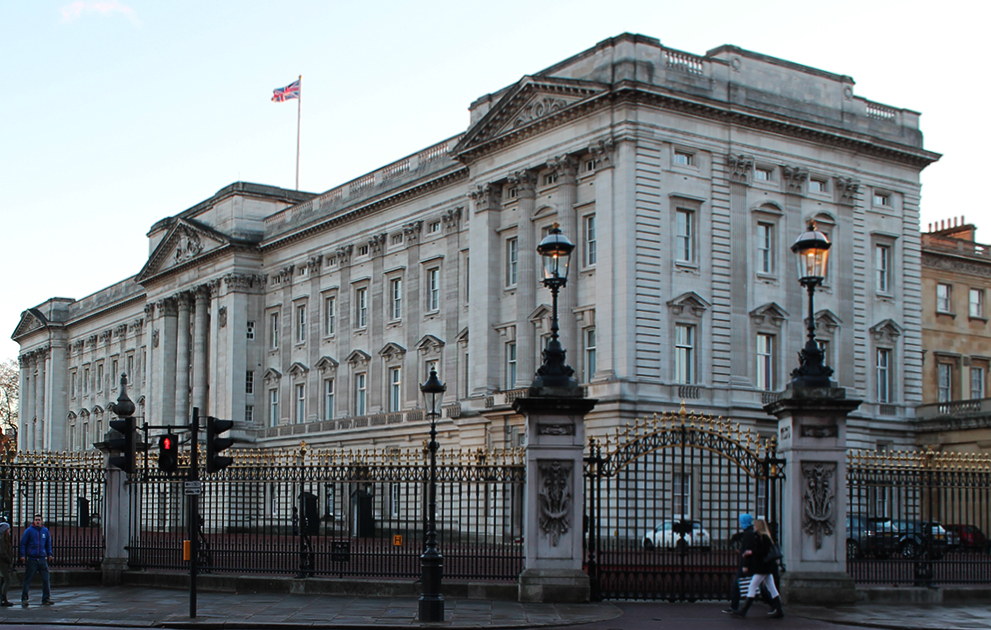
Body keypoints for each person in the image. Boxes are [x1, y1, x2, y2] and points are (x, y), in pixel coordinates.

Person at [734, 518, 783, 619]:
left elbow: (763, 552)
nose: (754, 527)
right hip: (766, 567)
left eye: (755, 525)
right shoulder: (764, 537)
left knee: (752, 586)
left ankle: (744, 610)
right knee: (772, 588)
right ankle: (779, 610)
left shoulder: (763, 538)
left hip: (762, 567)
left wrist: (751, 552)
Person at [722, 513, 755, 614]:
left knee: (738, 584)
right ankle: (775, 605)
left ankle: (735, 607)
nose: (739, 523)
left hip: (747, 564)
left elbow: (748, 551)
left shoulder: (748, 534)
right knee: (757, 586)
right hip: (748, 563)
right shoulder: (749, 532)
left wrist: (744, 564)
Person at [19, 514, 53, 606]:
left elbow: (48, 544)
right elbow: (23, 543)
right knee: (28, 579)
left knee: (46, 580)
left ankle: (46, 598)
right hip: (32, 559)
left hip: (42, 558)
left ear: (42, 521)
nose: (37, 521)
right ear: (34, 521)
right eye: (36, 520)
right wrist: (22, 555)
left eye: (39, 520)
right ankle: (24, 598)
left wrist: (50, 554)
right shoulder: (29, 531)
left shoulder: (45, 531)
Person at [0, 522, 14, 606]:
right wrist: (9, 560)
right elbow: (3, 553)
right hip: (3, 564)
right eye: (8, 529)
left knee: (2, 581)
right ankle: (3, 598)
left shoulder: (4, 539)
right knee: (7, 580)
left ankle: (2, 598)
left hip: (4, 563)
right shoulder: (2, 540)